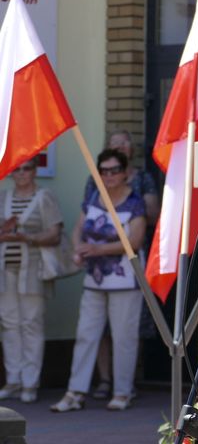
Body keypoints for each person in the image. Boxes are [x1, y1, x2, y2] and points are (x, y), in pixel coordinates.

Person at [50, 149, 146, 412]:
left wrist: (97, 250)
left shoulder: (135, 202)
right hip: (94, 279)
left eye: (115, 170)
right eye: (104, 171)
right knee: (85, 334)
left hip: (125, 280)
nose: (109, 175)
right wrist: (78, 248)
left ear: (126, 173)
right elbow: (78, 229)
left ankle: (123, 392)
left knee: (123, 337)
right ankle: (75, 392)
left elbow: (135, 241)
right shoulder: (94, 197)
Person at [86, 129, 159, 400]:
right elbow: (87, 210)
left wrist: (130, 209)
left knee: (130, 325)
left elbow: (151, 214)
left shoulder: (143, 180)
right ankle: (104, 379)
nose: (119, 148)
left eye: (124, 145)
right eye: (114, 144)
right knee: (100, 328)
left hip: (130, 263)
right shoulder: (95, 180)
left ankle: (127, 381)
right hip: (97, 267)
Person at [0, 158, 63, 404]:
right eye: (17, 169)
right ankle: (13, 380)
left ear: (35, 171)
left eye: (26, 168)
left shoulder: (44, 196)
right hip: (5, 271)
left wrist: (28, 238)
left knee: (31, 324)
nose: (22, 173)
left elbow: (55, 234)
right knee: (9, 323)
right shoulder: (4, 197)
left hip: (34, 270)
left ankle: (30, 383)